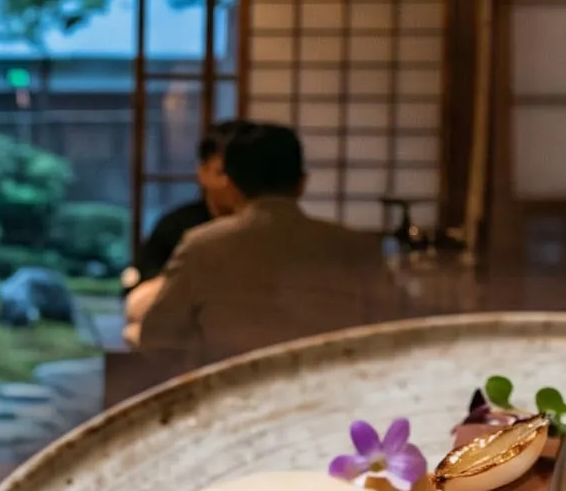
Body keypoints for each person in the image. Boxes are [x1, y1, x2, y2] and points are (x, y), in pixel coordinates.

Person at [131, 120, 394, 367]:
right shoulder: (357, 247)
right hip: (332, 397)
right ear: (301, 184)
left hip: (230, 398)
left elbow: (157, 341)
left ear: (231, 184)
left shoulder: (202, 246)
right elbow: (393, 334)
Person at [122, 121, 247, 335]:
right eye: (222, 173)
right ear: (203, 172)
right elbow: (140, 297)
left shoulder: (269, 232)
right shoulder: (178, 226)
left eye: (242, 174)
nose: (231, 183)